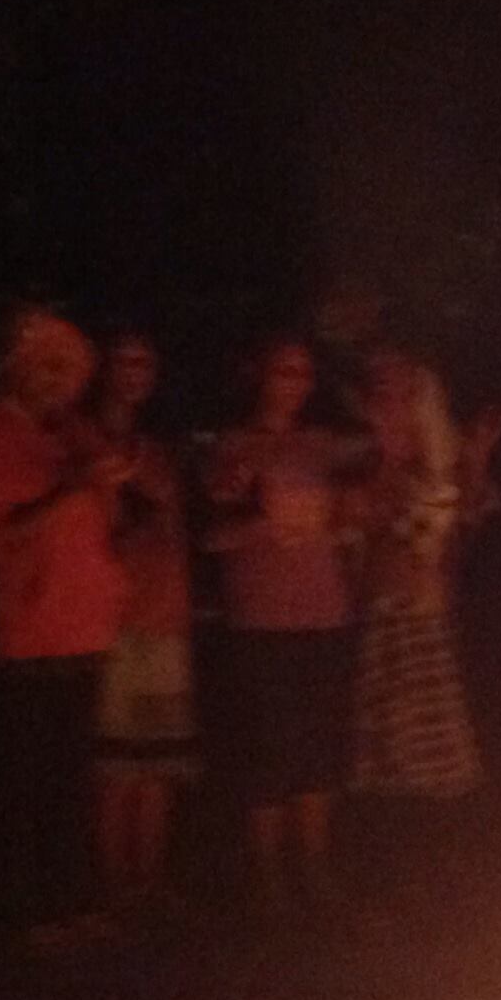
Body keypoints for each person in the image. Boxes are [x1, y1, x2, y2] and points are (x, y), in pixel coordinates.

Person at [0, 306, 128, 945]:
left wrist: (96, 472)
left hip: (82, 628)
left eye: (69, 371)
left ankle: (74, 898)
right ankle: (23, 909)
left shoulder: (70, 436)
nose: (61, 381)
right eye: (49, 366)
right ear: (14, 367)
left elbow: (105, 517)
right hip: (24, 633)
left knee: (71, 777)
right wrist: (73, 485)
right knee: (24, 779)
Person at [206, 337, 366, 909]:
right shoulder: (234, 448)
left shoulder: (319, 447)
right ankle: (267, 874)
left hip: (323, 612)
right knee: (268, 748)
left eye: (302, 373)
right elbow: (213, 536)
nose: (294, 382)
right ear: (259, 377)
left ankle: (315, 867)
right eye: (283, 371)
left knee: (318, 745)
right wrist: (264, 526)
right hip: (264, 617)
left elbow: (372, 471)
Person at [349, 351, 501, 800]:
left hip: (430, 616)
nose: (392, 402)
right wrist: (388, 463)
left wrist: (475, 462)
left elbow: (466, 527)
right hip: (382, 615)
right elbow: (361, 532)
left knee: (430, 750)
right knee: (389, 744)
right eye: (383, 392)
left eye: (404, 393)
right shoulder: (362, 457)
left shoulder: (442, 464)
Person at [89, 331, 198, 910]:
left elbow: (174, 526)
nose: (136, 372)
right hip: (111, 620)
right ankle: (114, 884)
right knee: (116, 764)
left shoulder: (156, 448)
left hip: (162, 617)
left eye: (146, 361)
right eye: (125, 359)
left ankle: (149, 877)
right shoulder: (83, 438)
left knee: (156, 759)